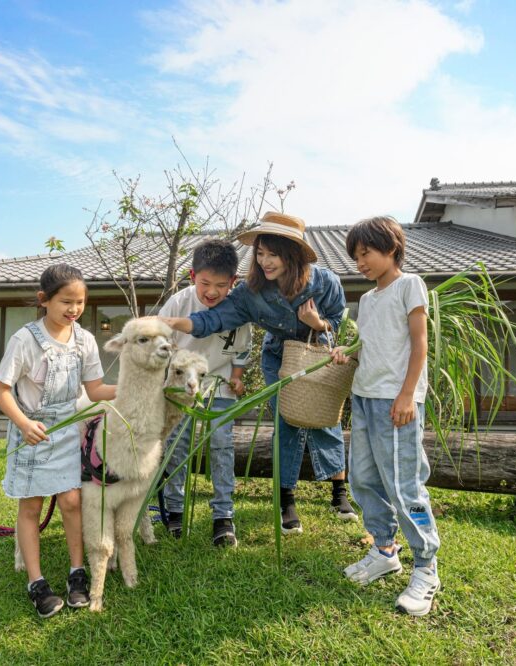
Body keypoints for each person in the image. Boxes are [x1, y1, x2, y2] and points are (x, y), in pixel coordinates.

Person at [162, 211, 357, 534]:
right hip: (278, 357)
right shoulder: (250, 292)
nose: (265, 261)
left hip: (317, 352)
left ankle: (339, 493)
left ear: (292, 255)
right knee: (286, 421)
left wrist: (317, 323)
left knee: (325, 417)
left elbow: (337, 322)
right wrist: (171, 323)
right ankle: (286, 501)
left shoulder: (325, 283)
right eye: (261, 253)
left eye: (273, 254)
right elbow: (213, 319)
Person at [331, 216, 441, 617]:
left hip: (396, 401)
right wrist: (347, 353)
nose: (360, 262)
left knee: (404, 485)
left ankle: (426, 567)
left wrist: (408, 395)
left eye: (366, 253)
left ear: (391, 248)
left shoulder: (410, 285)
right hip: (363, 397)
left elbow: (419, 343)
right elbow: (370, 347)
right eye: (356, 256)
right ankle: (384, 550)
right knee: (362, 478)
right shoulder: (367, 300)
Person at [0, 264, 116, 617]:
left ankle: (77, 573)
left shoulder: (85, 340)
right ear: (44, 300)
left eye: (80, 302)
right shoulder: (24, 340)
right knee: (31, 507)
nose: (74, 309)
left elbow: (95, 390)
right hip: (32, 433)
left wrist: (136, 387)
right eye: (66, 302)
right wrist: (23, 423)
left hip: (66, 430)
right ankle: (37, 583)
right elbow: (0, 391)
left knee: (72, 501)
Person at [159, 239, 252, 547]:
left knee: (222, 445)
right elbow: (160, 342)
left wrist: (236, 377)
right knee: (177, 444)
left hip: (219, 384)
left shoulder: (237, 308)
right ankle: (174, 509)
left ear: (233, 282)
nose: (212, 292)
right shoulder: (179, 302)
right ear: (192, 276)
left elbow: (242, 348)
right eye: (205, 283)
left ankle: (223, 516)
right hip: (181, 386)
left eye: (221, 286)